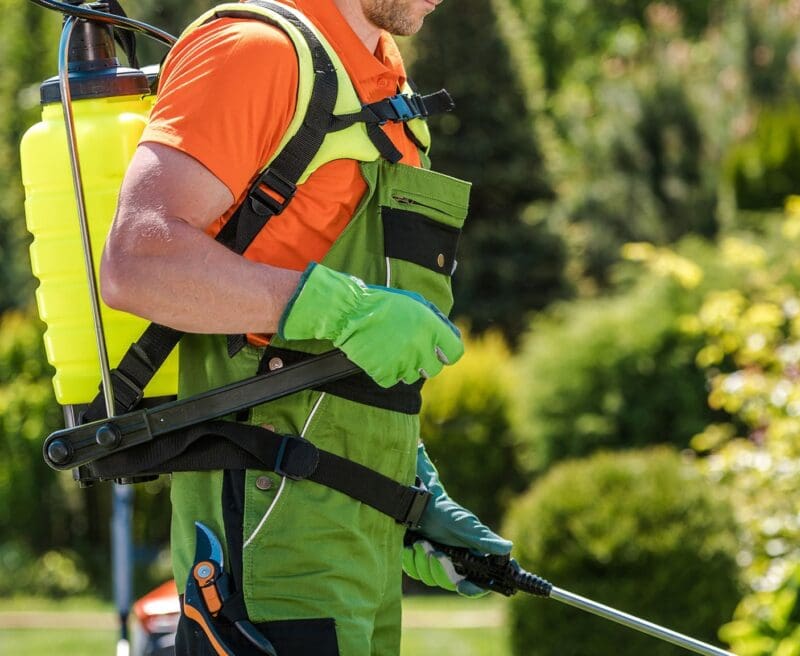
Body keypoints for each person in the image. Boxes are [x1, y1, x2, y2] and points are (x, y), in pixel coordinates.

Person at [99, 0, 511, 653]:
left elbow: (347, 361)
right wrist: (341, 308)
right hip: (267, 534)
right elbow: (138, 261)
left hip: (354, 535)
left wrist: (410, 490)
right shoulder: (254, 51)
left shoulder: (387, 81)